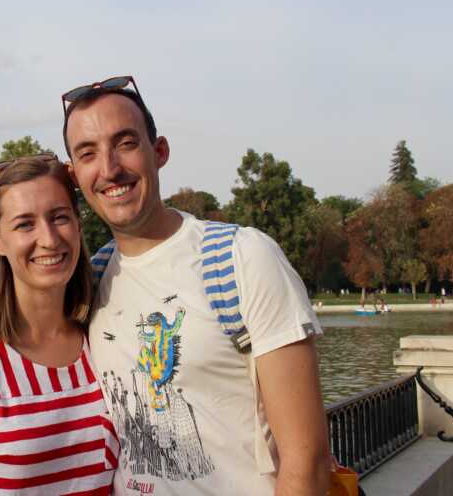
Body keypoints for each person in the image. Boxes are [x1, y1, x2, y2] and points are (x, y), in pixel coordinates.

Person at [61, 76, 331, 495]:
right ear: (75, 176)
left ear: (160, 151)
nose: (109, 168)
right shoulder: (89, 277)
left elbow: (306, 458)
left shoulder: (242, 257)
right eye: (88, 154)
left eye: (126, 143)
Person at [0, 156, 118, 495]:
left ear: (78, 224)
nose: (50, 238)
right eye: (25, 224)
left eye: (60, 217)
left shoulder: (103, 341)